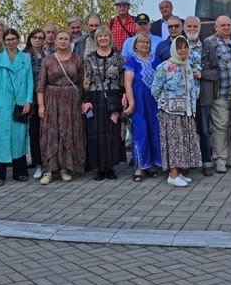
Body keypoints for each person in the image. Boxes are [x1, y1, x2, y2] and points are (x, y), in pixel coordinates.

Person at [37, 30, 86, 184]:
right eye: (60, 39)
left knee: (68, 131)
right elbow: (40, 85)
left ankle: (65, 168)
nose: (63, 41)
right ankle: (49, 170)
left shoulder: (77, 59)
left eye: (66, 39)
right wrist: (41, 106)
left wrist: (82, 101)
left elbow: (81, 82)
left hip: (71, 100)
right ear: (55, 41)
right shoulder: (48, 60)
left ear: (70, 41)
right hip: (52, 98)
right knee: (51, 132)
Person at [151, 36, 202, 186]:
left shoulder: (188, 66)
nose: (182, 50)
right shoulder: (165, 67)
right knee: (173, 143)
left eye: (185, 47)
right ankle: (172, 175)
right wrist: (166, 103)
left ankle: (178, 172)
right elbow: (155, 89)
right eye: (179, 47)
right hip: (171, 113)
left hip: (186, 111)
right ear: (174, 49)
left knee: (183, 142)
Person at [0, 29, 33, 185]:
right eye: (8, 39)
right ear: (4, 41)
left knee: (19, 137)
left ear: (18, 40)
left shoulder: (25, 59)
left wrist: (28, 100)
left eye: (14, 39)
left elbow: (29, 81)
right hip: (2, 104)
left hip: (20, 103)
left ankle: (20, 171)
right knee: (0, 137)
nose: (11, 42)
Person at [83, 26, 128, 180]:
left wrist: (125, 96)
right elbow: (86, 80)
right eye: (99, 36)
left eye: (105, 35)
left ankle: (110, 166)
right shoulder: (89, 57)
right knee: (96, 133)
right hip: (95, 97)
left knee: (112, 132)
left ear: (110, 38)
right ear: (96, 39)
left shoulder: (118, 57)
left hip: (114, 96)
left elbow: (123, 78)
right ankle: (99, 168)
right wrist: (85, 100)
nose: (103, 38)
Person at [203, 15, 231, 173]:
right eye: (223, 25)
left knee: (230, 127)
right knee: (220, 127)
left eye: (229, 25)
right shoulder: (209, 43)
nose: (226, 28)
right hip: (220, 93)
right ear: (216, 27)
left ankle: (229, 158)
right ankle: (219, 159)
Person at [124, 32, 162, 182]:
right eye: (141, 42)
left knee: (154, 132)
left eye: (147, 43)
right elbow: (127, 84)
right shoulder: (131, 61)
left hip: (153, 102)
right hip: (139, 102)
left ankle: (150, 165)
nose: (145, 45)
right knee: (141, 133)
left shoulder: (156, 60)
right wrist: (131, 103)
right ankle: (139, 167)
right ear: (136, 45)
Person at [184, 16, 214, 176]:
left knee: (204, 130)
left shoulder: (207, 46)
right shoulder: (179, 45)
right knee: (187, 131)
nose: (192, 29)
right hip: (183, 97)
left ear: (200, 28)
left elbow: (216, 71)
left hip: (202, 96)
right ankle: (187, 162)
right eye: (189, 26)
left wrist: (203, 74)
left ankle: (207, 162)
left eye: (195, 26)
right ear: (184, 27)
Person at [24, 28, 47, 178]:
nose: (37, 40)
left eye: (40, 38)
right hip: (30, 98)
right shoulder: (25, 56)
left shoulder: (48, 56)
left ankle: (46, 161)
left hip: (46, 97)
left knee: (45, 131)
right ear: (30, 39)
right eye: (35, 37)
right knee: (33, 132)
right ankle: (37, 163)